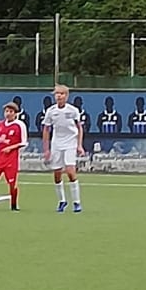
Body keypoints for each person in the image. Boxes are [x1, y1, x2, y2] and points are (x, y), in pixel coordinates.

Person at [42, 84, 85, 213]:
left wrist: (79, 145)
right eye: (57, 94)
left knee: (70, 171)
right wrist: (46, 149)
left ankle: (76, 202)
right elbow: (46, 129)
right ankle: (62, 201)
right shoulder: (51, 111)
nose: (59, 96)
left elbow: (79, 128)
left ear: (66, 96)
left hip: (70, 142)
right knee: (57, 174)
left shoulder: (73, 110)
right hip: (57, 143)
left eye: (61, 94)